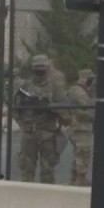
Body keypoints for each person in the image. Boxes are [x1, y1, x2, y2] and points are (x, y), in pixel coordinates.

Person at [13, 54, 68, 183]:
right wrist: (22, 123)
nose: (39, 70)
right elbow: (15, 107)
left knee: (48, 170)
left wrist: (49, 107)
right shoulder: (25, 86)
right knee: (27, 169)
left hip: (47, 133)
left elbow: (64, 109)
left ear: (47, 68)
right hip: (29, 132)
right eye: (37, 67)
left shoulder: (55, 87)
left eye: (42, 67)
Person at [67, 69, 96, 186]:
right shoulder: (76, 90)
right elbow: (87, 104)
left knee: (80, 154)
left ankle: (75, 178)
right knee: (83, 151)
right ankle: (80, 178)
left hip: (85, 126)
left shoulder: (85, 90)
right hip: (79, 127)